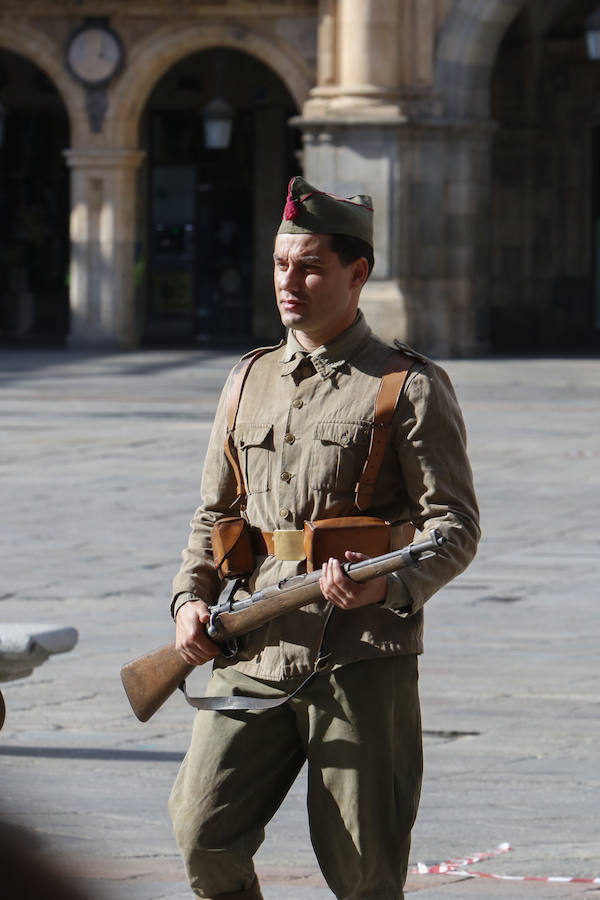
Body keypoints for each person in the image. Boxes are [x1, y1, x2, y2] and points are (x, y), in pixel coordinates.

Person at [168, 176, 480, 900]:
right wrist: (189, 599)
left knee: (364, 872)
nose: (290, 282)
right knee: (202, 836)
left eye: (309, 266)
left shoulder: (405, 386)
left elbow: (455, 527)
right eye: (281, 265)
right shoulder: (247, 379)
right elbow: (214, 515)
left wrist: (387, 583)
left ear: (357, 273)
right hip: (254, 644)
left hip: (360, 657)